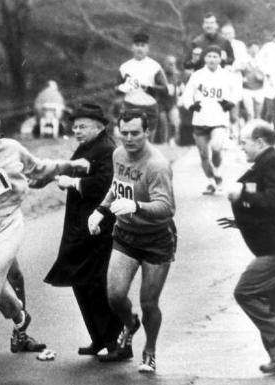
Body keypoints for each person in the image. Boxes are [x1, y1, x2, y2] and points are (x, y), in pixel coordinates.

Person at [0, 103, 90, 371]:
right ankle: (20, 316)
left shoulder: (11, 148)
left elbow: (38, 168)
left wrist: (70, 165)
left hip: (9, 220)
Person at [88, 109, 176, 373]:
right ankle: (129, 324)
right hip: (126, 235)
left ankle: (149, 350)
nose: (129, 138)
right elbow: (117, 186)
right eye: (124, 133)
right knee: (115, 296)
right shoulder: (118, 154)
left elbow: (166, 207)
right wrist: (101, 210)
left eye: (135, 133)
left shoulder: (157, 165)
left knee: (149, 302)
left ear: (147, 132)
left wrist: (136, 205)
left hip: (156, 240)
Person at [43, 104, 123, 356]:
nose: (77, 130)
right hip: (81, 226)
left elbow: (106, 184)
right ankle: (98, 338)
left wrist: (74, 182)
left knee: (96, 283)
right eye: (75, 126)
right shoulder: (90, 147)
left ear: (99, 127)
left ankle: (113, 340)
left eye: (83, 126)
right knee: (81, 282)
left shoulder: (107, 148)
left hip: (99, 227)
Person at [218, 120, 275, 373]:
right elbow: (274, 205)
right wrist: (241, 220)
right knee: (271, 301)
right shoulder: (266, 164)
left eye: (244, 142)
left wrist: (243, 197)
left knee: (247, 292)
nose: (242, 147)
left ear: (260, 142)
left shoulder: (273, 162)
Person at [182, 45, 241, 195]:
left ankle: (218, 172)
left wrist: (231, 103)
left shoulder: (227, 75)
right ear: (204, 58)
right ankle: (210, 182)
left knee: (216, 147)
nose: (212, 59)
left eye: (215, 56)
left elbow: (237, 92)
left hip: (219, 118)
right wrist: (191, 105)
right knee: (203, 154)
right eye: (209, 56)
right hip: (200, 119)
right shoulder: (197, 75)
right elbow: (187, 94)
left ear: (220, 58)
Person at [117, 32, 168, 143]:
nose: (140, 48)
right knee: (129, 141)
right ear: (132, 47)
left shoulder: (154, 66)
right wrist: (123, 87)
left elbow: (165, 88)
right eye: (137, 45)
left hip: (149, 107)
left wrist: (151, 89)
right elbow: (116, 88)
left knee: (147, 143)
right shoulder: (125, 67)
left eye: (142, 45)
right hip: (130, 105)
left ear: (147, 48)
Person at [221, 23, 247, 140]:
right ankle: (225, 134)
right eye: (225, 33)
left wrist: (232, 68)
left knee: (235, 105)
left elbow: (243, 64)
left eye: (230, 33)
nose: (227, 36)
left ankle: (235, 132)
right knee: (223, 104)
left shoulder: (240, 45)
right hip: (222, 78)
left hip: (235, 77)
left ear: (234, 34)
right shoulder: (219, 45)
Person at [159, 56, 183, 145]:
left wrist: (180, 92)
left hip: (172, 103)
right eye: (169, 64)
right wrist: (165, 88)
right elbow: (155, 87)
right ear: (165, 64)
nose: (172, 66)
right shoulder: (160, 74)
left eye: (173, 64)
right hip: (161, 103)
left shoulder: (177, 75)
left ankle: (173, 141)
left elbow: (181, 86)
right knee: (163, 123)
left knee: (175, 122)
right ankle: (164, 142)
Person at [241, 42, 265, 120]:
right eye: (252, 48)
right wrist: (242, 78)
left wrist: (262, 77)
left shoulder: (263, 60)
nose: (254, 50)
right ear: (248, 49)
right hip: (247, 90)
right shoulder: (243, 60)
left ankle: (257, 130)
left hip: (259, 89)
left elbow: (268, 74)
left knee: (258, 114)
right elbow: (236, 72)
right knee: (250, 113)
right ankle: (249, 131)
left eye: (256, 48)